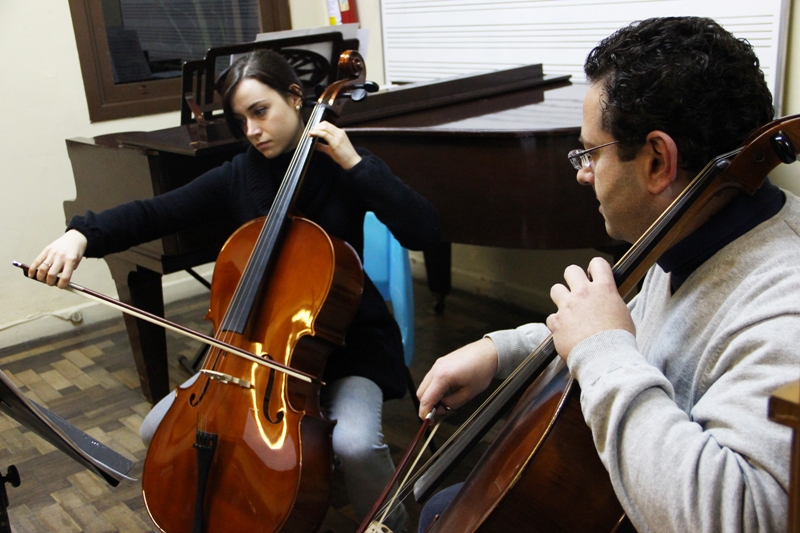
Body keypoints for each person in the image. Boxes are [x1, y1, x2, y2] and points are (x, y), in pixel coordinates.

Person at [416, 17, 799, 533]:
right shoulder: (698, 226)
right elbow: (630, 329)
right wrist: (502, 350)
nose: (582, 173)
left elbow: (739, 516)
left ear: (658, 161)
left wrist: (600, 348)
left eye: (590, 153)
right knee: (445, 508)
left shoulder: (784, 304)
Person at [30, 49, 440, 532]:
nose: (252, 131)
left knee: (354, 444)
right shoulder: (238, 175)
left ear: (294, 97)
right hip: (255, 353)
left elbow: (425, 231)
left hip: (345, 344)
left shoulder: (341, 166)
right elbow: (154, 213)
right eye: (240, 119)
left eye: (260, 112)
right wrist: (81, 235)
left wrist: (355, 164)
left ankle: (391, 525)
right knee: (157, 427)